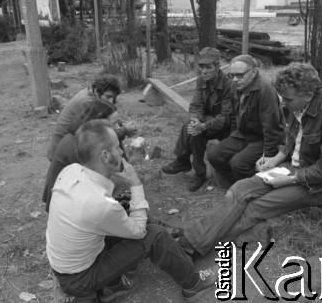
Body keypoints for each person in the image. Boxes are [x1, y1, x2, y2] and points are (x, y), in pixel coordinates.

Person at [175, 63, 322, 257]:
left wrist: (290, 179)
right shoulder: (299, 103)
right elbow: (293, 137)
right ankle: (192, 239)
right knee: (238, 189)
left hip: (319, 182)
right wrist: (276, 159)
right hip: (292, 168)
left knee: (256, 207)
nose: (283, 103)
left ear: (308, 94)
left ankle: (193, 247)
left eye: (287, 99)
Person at [46, 119, 216, 302]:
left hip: (64, 264)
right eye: (116, 147)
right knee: (154, 235)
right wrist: (136, 184)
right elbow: (139, 231)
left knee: (124, 199)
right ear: (105, 156)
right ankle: (192, 283)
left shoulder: (72, 170)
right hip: (80, 279)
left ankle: (113, 283)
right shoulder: (99, 204)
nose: (120, 150)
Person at [207, 54, 285, 189]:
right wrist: (232, 135)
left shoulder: (265, 91)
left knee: (238, 163)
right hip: (241, 135)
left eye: (240, 75)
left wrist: (268, 155)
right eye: (232, 75)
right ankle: (236, 184)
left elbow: (271, 128)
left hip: (261, 139)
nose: (235, 79)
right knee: (213, 155)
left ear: (253, 72)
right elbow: (233, 116)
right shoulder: (235, 87)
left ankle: (252, 190)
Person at [161, 47, 232, 192]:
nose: (204, 71)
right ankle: (199, 173)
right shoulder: (201, 80)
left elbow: (226, 117)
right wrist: (195, 121)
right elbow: (195, 104)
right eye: (202, 67)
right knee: (193, 129)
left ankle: (183, 161)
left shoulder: (228, 85)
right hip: (207, 121)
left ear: (218, 67)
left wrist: (204, 125)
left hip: (227, 127)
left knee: (198, 130)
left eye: (209, 67)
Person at [42, 100, 120, 212]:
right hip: (65, 202)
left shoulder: (83, 137)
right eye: (113, 124)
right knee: (123, 188)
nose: (117, 128)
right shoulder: (80, 147)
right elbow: (101, 178)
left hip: (70, 190)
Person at [47, 74, 134, 161]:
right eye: (108, 97)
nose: (111, 101)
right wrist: (125, 130)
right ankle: (122, 165)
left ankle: (123, 164)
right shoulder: (88, 102)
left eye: (113, 98)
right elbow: (103, 133)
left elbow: (109, 116)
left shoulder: (91, 92)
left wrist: (122, 123)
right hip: (63, 154)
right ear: (97, 91)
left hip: (74, 144)